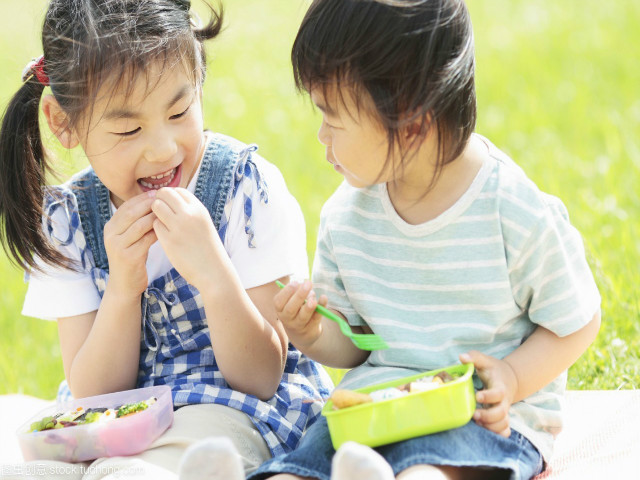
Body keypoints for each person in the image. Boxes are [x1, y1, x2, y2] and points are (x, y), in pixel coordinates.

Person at [248, 1, 601, 479]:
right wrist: (312, 334)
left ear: (411, 123)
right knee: (309, 458)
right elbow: (356, 345)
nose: (321, 135)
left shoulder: (512, 210)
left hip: (481, 415)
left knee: (427, 471)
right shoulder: (346, 215)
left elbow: (577, 320)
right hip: (379, 405)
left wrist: (513, 378)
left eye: (332, 117)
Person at [0, 0, 332, 478]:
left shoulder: (244, 187)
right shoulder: (68, 220)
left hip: (229, 411)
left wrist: (215, 274)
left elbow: (261, 376)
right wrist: (123, 288)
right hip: (112, 426)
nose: (163, 148)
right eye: (129, 128)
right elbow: (92, 394)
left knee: (130, 474)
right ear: (63, 123)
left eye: (179, 112)